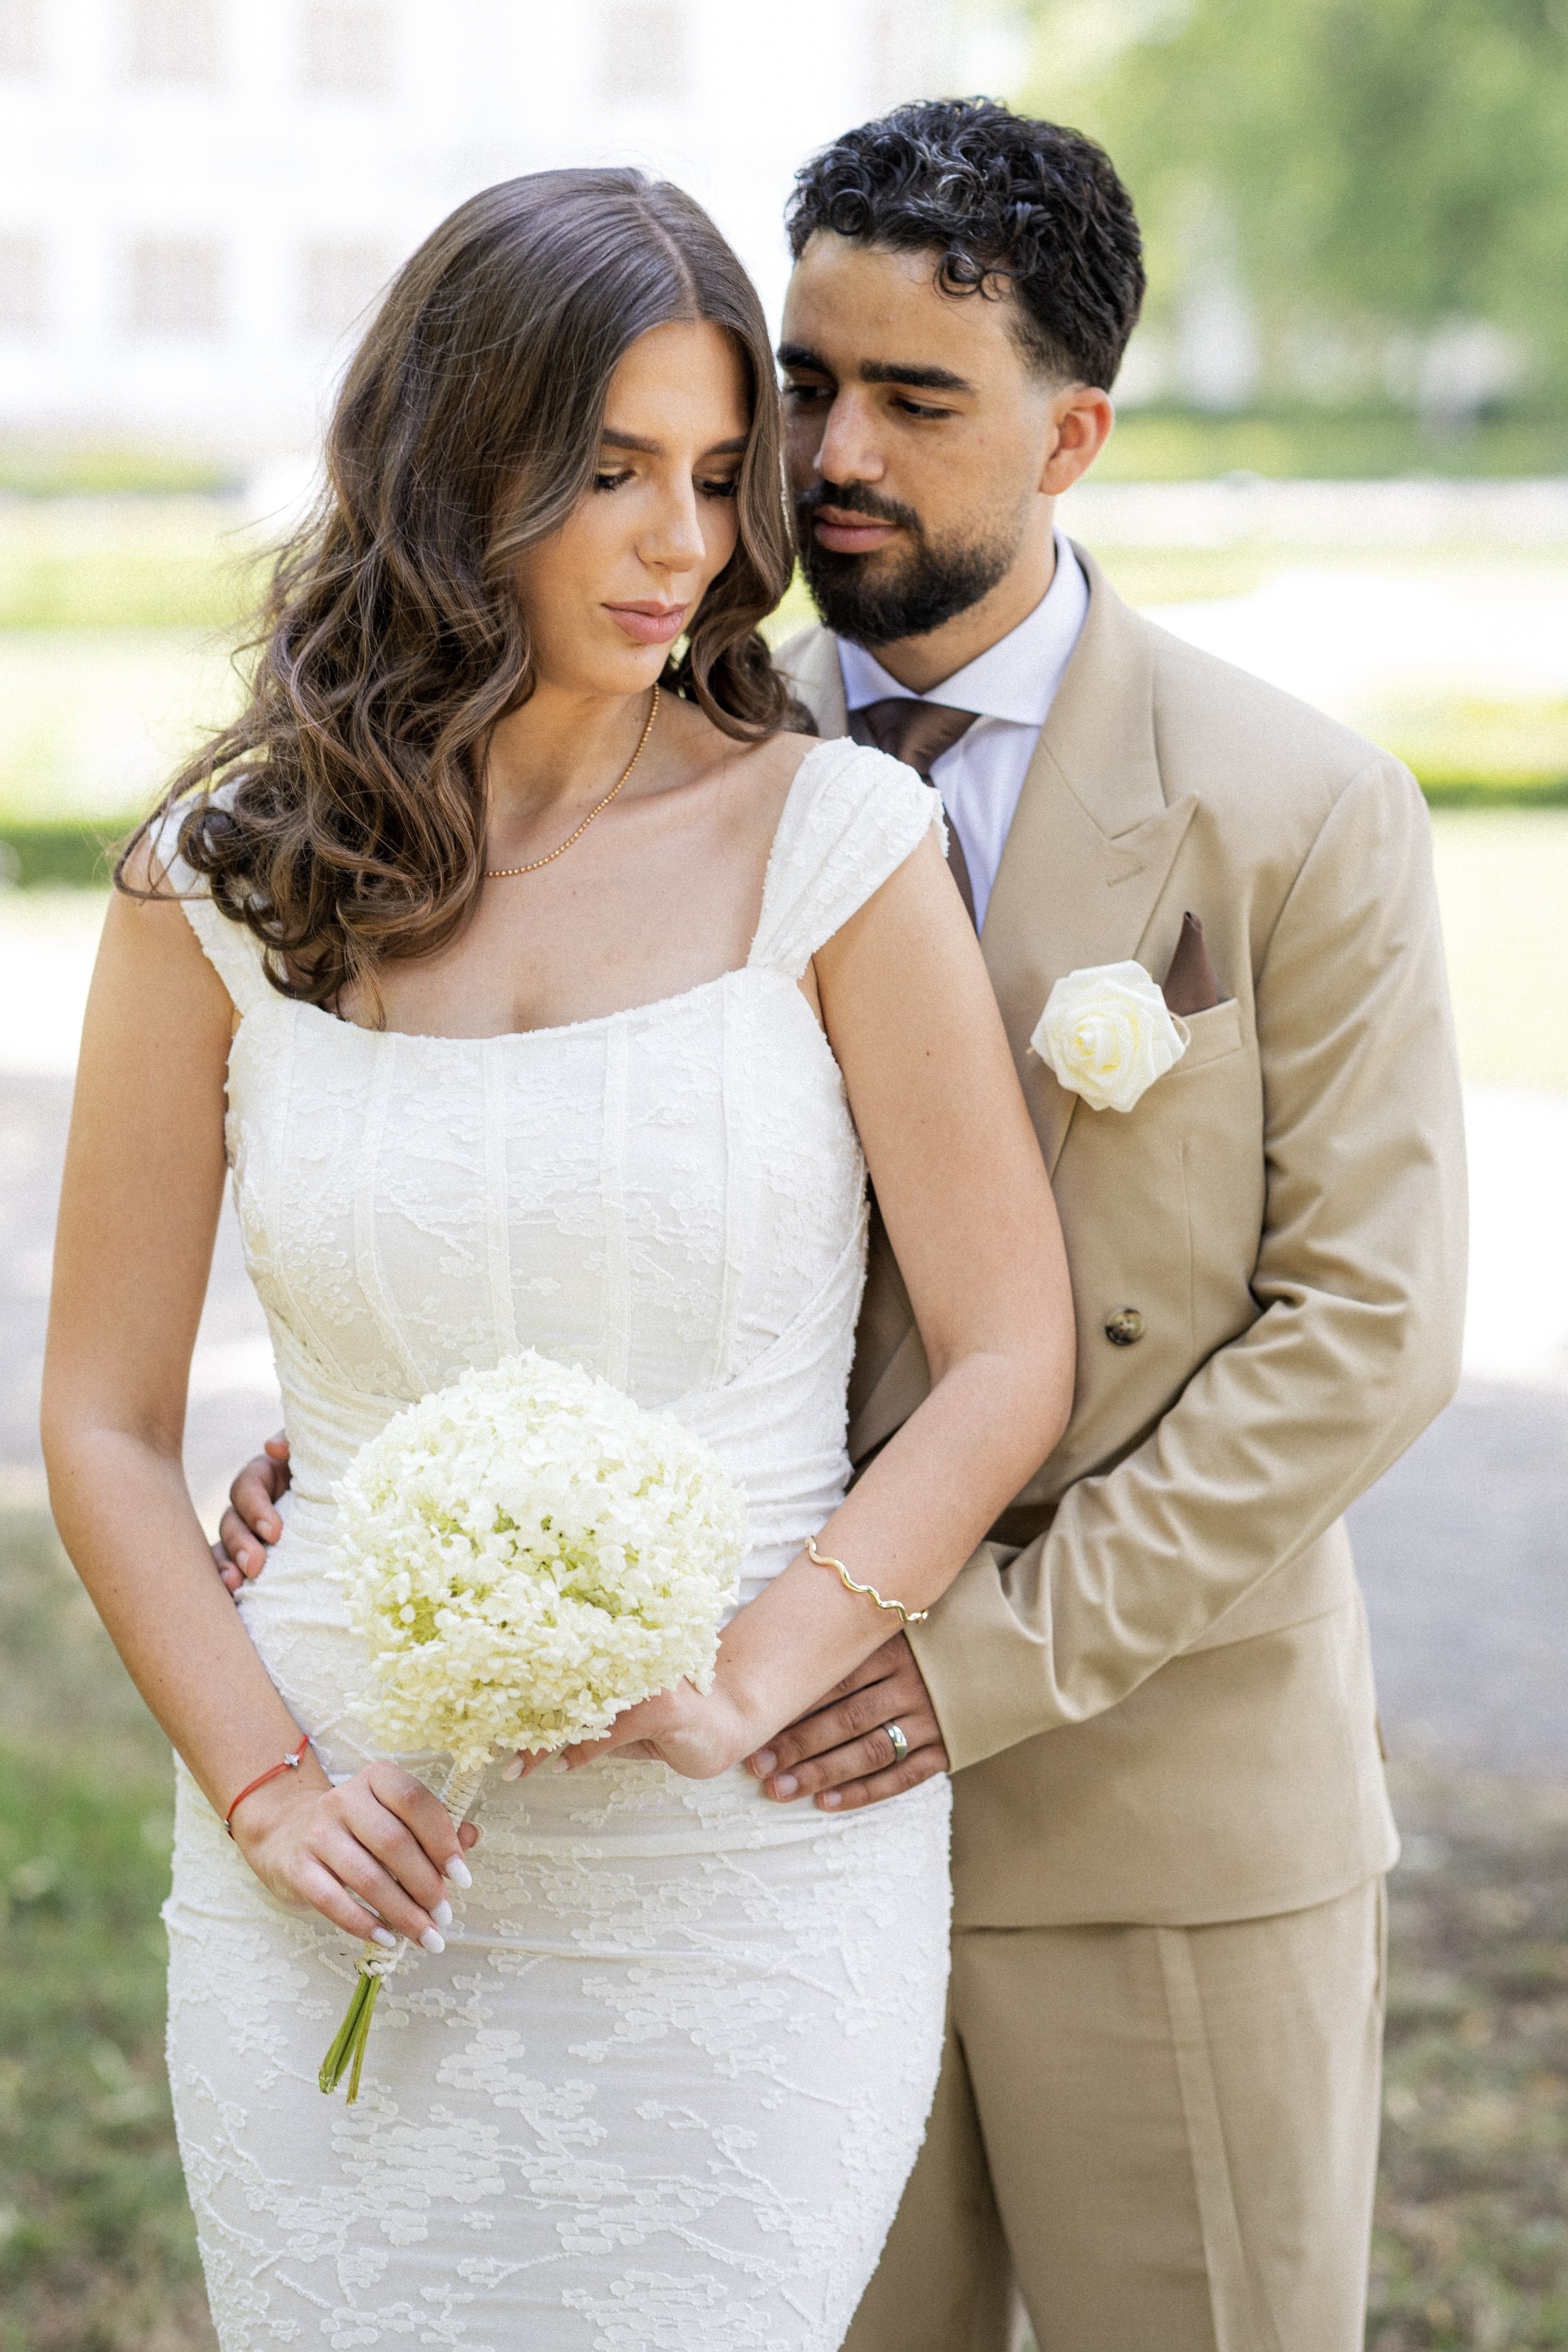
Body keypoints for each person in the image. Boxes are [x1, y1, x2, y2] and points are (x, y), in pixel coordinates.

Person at [224, 99, 1466, 2347]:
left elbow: (1360, 1337)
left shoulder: (1297, 809)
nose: (829, 453)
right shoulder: (660, 742)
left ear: (1073, 431)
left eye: (917, 397)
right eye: (803, 383)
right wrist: (379, 1445)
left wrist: (951, 1660)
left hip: (1151, 1823)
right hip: (735, 1871)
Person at [41, 167, 1074, 2352]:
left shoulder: (835, 847)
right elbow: (110, 1425)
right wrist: (265, 1785)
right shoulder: (211, 888)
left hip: (743, 1880)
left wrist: (763, 1670)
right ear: (455, 461)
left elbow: (1010, 1351)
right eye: (609, 472)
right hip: (337, 1843)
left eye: (719, 476)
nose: (681, 542)